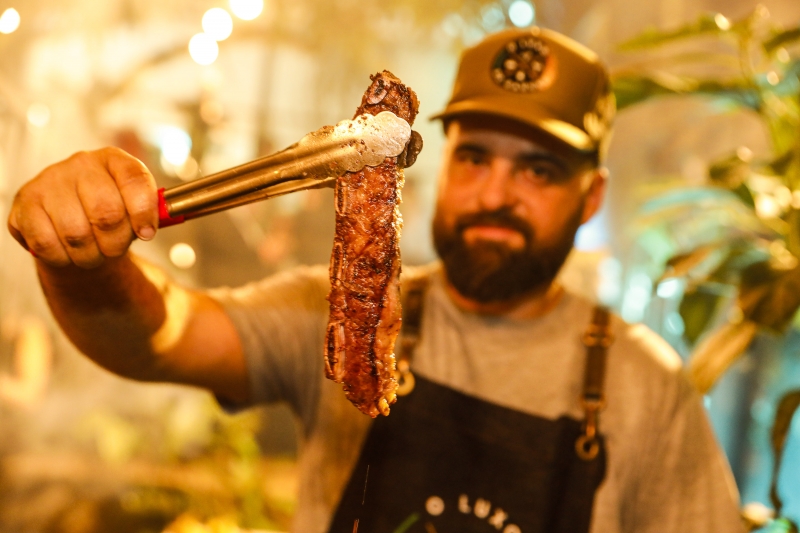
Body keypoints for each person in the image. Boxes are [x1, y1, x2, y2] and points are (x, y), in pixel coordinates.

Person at [7, 27, 744, 533]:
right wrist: (84, 260)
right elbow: (157, 338)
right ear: (444, 164)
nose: (495, 192)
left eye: (538, 170)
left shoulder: (647, 386)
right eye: (476, 156)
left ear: (590, 199)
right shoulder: (331, 312)